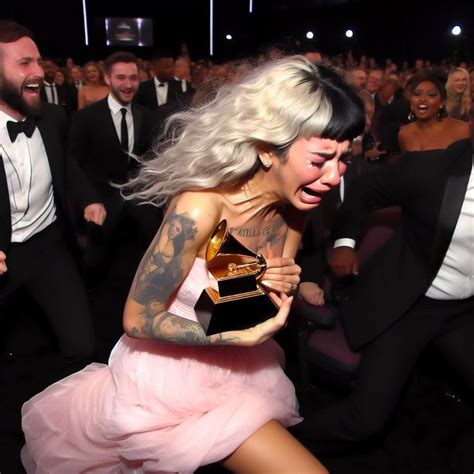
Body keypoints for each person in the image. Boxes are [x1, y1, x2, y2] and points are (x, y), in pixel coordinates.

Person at [21, 56, 365, 473]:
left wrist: (281, 279)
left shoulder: (297, 202)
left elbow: (258, 289)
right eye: (320, 159)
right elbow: (137, 317)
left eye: (344, 158)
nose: (333, 176)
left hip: (244, 370)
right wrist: (232, 335)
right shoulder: (200, 208)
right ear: (266, 150)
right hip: (169, 377)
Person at [294, 70, 472, 447]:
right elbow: (363, 191)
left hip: (464, 311)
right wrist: (344, 242)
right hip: (409, 303)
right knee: (365, 420)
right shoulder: (436, 170)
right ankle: (282, 447)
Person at [0, 22, 105, 374]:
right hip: (5, 252)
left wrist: (89, 198)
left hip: (48, 244)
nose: (39, 73)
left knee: (81, 345)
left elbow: (67, 164)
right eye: (24, 63)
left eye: (39, 62)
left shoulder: (54, 118)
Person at [68, 51, 159, 287]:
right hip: (101, 213)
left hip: (139, 213)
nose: (128, 85)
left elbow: (152, 161)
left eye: (133, 78)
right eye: (121, 78)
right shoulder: (86, 117)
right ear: (107, 79)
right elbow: (73, 164)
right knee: (98, 279)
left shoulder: (146, 116)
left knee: (141, 275)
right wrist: (88, 200)